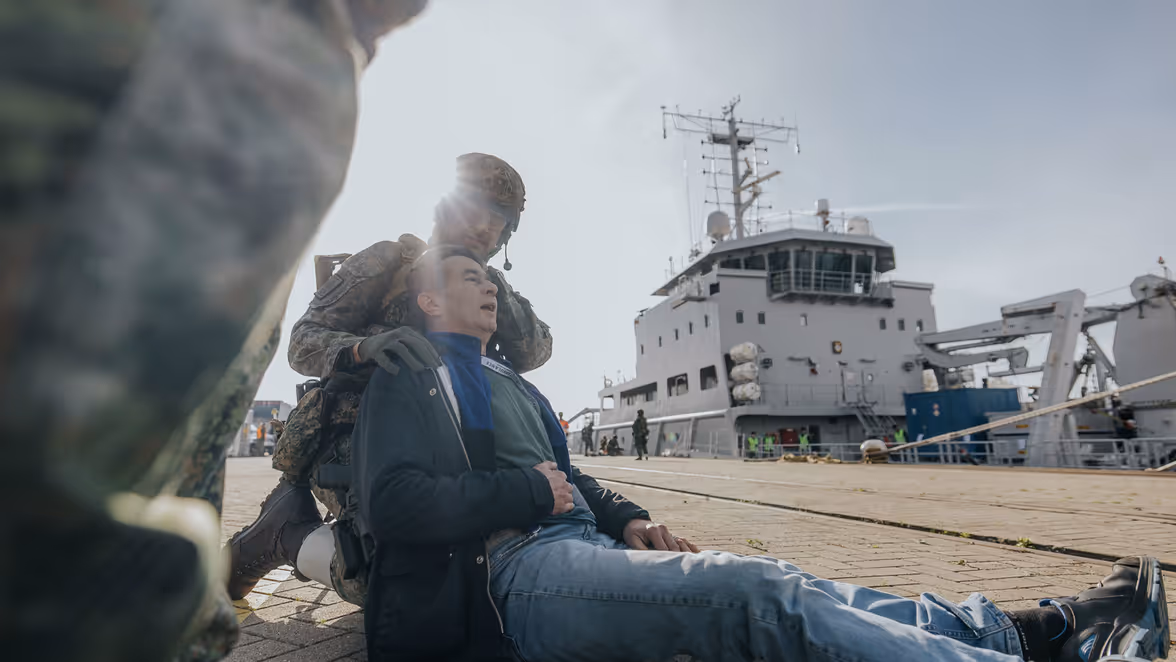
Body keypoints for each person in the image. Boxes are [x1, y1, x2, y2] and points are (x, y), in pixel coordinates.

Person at [351, 248, 1170, 662]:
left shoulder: (505, 378)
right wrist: (532, 497)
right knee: (753, 594)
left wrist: (629, 516)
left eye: (491, 274)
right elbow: (394, 504)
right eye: (467, 276)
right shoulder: (411, 375)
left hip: (570, 546)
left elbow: (565, 481)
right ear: (427, 299)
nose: (488, 283)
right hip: (509, 578)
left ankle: (1033, 630)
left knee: (787, 580)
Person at [1, 2, 429, 661]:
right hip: (348, 450)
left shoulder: (495, 292)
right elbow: (307, 340)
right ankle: (269, 546)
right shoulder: (284, 59)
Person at [225, 152, 552, 605]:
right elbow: (302, 342)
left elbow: (535, 352)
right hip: (359, 438)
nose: (483, 224)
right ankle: (284, 534)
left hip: (456, 447)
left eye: (498, 218)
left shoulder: (489, 287)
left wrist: (496, 290)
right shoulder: (390, 262)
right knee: (394, 574)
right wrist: (362, 348)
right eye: (472, 206)